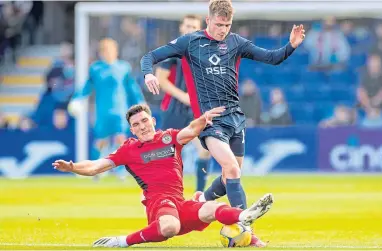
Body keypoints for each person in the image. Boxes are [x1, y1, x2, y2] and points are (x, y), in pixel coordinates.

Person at [140, 0, 305, 246]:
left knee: (230, 179)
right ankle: (247, 233)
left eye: (227, 25)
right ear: (208, 20)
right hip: (209, 121)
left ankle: (201, 201)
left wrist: (290, 46)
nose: (223, 30)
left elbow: (272, 58)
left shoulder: (236, 42)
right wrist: (148, 73)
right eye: (219, 25)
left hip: (236, 119)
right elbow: (150, 56)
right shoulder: (191, 42)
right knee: (233, 169)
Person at [53, 104, 274, 248]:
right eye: (136, 124)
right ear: (131, 130)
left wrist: (203, 119)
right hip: (159, 203)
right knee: (170, 227)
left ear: (153, 121)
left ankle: (243, 216)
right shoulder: (128, 150)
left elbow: (190, 130)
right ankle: (121, 242)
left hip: (179, 203)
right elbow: (95, 166)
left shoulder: (169, 138)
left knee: (211, 208)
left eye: (144, 121)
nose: (142, 127)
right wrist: (73, 167)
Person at [68, 38, 145, 181]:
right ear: (101, 53)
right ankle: (94, 171)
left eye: (111, 50)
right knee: (100, 141)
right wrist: (77, 98)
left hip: (121, 110)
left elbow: (132, 88)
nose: (108, 53)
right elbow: (86, 87)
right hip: (102, 111)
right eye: (105, 50)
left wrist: (140, 102)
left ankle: (121, 171)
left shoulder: (124, 67)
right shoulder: (96, 68)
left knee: (121, 140)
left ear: (116, 51)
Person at [156, 14, 211, 192]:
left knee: (205, 150)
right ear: (182, 28)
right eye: (187, 26)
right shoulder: (173, 49)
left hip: (196, 110)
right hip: (175, 109)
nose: (190, 30)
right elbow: (161, 79)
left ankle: (199, 195)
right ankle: (157, 191)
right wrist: (183, 96)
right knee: (165, 155)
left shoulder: (205, 51)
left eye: (194, 27)